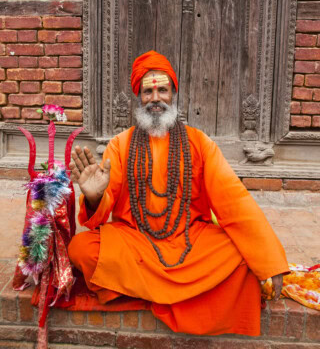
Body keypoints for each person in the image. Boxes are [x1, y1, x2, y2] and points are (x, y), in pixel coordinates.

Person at [68, 50, 289, 336]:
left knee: (241, 253)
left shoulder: (200, 143)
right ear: (139, 97)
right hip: (136, 244)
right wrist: (95, 195)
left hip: (189, 243)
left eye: (162, 89)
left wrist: (270, 261)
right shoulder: (120, 145)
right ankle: (183, 294)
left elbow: (234, 201)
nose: (155, 98)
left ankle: (142, 290)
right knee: (81, 248)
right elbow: (100, 214)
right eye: (148, 91)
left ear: (173, 94)